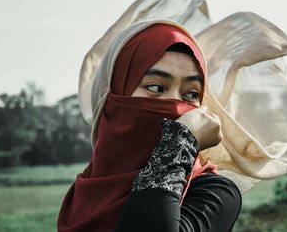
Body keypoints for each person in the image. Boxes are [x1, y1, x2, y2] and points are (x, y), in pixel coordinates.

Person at [58, 22, 242, 232]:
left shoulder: (214, 194)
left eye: (191, 94)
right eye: (156, 87)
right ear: (116, 95)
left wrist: (180, 141)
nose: (174, 104)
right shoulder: (86, 189)